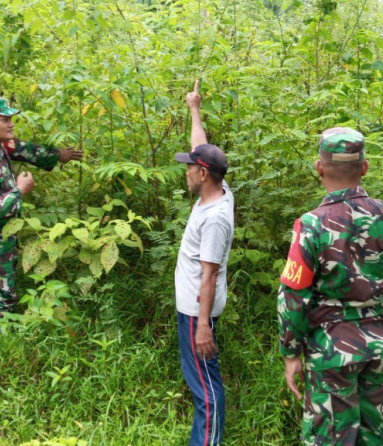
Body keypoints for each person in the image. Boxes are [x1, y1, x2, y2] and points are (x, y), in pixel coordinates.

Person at [278, 127, 383, 445]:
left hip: (332, 352)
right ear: (364, 167)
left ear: (318, 167)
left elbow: (294, 297)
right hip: (379, 347)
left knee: (330, 439)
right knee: (375, 437)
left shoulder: (311, 225)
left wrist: (291, 353)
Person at [0, 96, 82, 331]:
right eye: (4, 119)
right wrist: (19, 192)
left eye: (11, 118)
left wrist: (55, 155)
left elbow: (21, 148)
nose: (11, 123)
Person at [173, 80, 234, 446]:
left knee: (206, 389)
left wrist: (202, 327)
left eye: (190, 167)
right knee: (201, 380)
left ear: (202, 174)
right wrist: (194, 108)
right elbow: (200, 146)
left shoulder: (214, 219)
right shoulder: (219, 188)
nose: (187, 170)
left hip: (198, 310)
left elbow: (209, 275)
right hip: (195, 309)